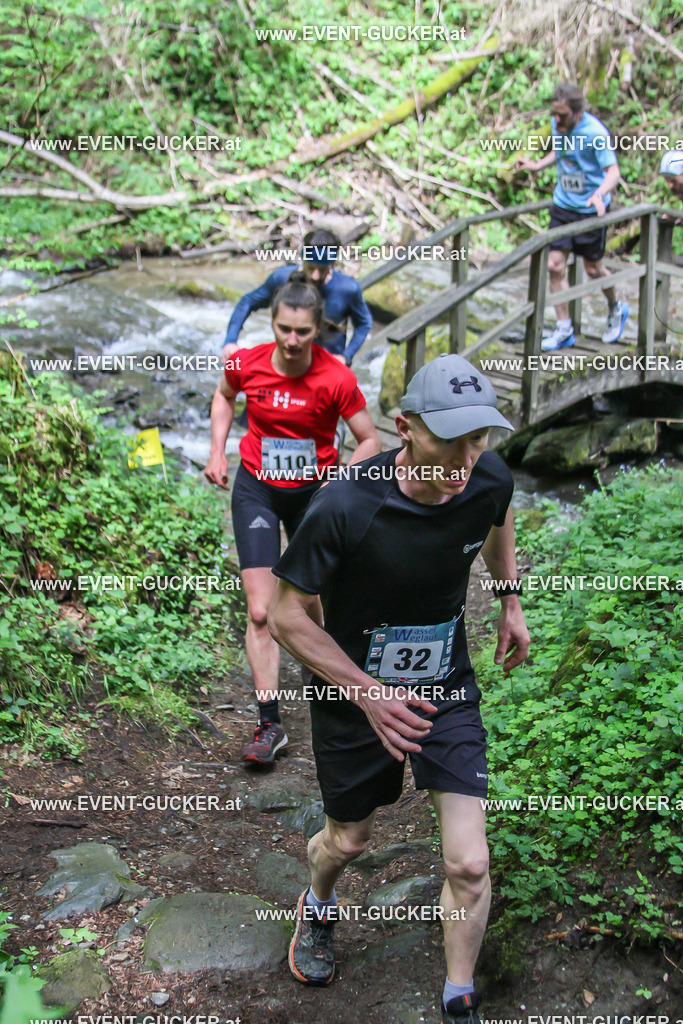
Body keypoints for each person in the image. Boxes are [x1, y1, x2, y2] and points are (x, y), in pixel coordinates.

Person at [268, 353, 530, 1024]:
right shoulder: (345, 506)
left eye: (481, 437)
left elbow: (495, 515)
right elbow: (285, 616)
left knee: (469, 863)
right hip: (349, 686)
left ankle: (458, 998)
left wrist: (508, 599)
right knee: (347, 842)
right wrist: (366, 693)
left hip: (442, 679)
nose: (469, 458)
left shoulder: (486, 475)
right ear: (405, 426)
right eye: (453, 439)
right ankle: (318, 904)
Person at [204, 273, 380, 767]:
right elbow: (224, 396)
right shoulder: (247, 363)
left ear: (318, 327)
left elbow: (369, 439)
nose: (292, 340)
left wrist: (342, 479)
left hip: (312, 498)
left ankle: (321, 688)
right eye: (284, 328)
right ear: (273, 322)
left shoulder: (336, 377)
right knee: (261, 611)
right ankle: (269, 725)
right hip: (257, 489)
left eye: (303, 331)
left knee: (308, 605)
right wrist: (218, 451)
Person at [516, 82, 628, 351]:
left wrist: (600, 194)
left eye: (563, 115)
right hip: (564, 205)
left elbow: (614, 173)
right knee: (555, 265)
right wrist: (537, 165)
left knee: (593, 269)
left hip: (590, 208)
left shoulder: (595, 133)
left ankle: (616, 308)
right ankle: (564, 328)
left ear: (578, 113)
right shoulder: (559, 124)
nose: (557, 120)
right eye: (554, 114)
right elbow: (561, 150)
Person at [222, 228, 373, 366]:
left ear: (332, 263)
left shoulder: (347, 289)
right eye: (311, 267)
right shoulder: (281, 278)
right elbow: (247, 302)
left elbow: (364, 323)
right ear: (303, 259)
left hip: (327, 367)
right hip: (289, 362)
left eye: (322, 270)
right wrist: (230, 341)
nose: (315, 275)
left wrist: (346, 356)